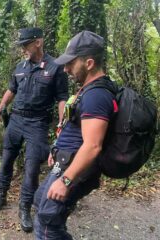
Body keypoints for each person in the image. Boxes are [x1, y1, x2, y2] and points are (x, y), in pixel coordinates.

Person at [33, 31, 117, 239]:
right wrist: (57, 149)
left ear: (89, 63)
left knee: (48, 222)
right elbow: (74, 128)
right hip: (66, 161)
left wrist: (66, 181)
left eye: (71, 63)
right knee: (40, 204)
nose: (66, 68)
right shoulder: (88, 90)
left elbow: (93, 146)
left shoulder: (97, 95)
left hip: (75, 169)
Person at [0, 27, 68, 233]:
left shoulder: (55, 67)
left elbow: (62, 98)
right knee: (6, 160)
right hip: (15, 120)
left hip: (38, 124)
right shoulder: (20, 67)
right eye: (22, 45)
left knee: (32, 168)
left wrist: (61, 124)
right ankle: (1, 195)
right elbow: (11, 90)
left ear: (38, 43)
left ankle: (24, 207)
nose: (23, 49)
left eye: (26, 45)